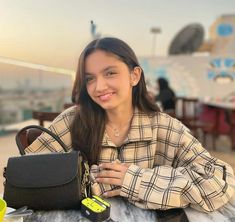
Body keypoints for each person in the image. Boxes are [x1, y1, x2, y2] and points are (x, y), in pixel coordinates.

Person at [25, 37, 235, 212]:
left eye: (110, 73)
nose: (99, 86)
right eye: (89, 79)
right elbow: (26, 180)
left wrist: (134, 180)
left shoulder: (163, 127)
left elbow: (219, 182)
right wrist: (107, 182)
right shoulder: (71, 121)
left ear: (134, 76)